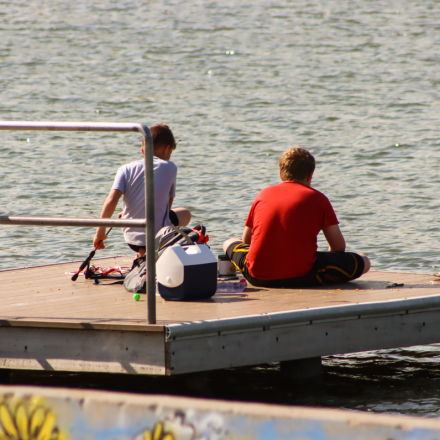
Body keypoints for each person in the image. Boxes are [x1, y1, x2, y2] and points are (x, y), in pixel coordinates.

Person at [223, 147, 370, 287]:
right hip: (301, 276)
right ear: (310, 175)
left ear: (281, 174)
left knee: (229, 242)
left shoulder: (263, 194)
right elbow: (338, 247)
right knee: (364, 261)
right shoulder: (318, 198)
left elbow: (246, 241)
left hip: (256, 276)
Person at [94, 123, 191, 257]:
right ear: (166, 149)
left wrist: (100, 233)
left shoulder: (124, 169)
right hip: (157, 238)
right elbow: (166, 207)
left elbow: (111, 201)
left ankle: (141, 253)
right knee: (185, 214)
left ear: (143, 150)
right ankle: (149, 252)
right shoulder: (170, 167)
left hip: (131, 239)